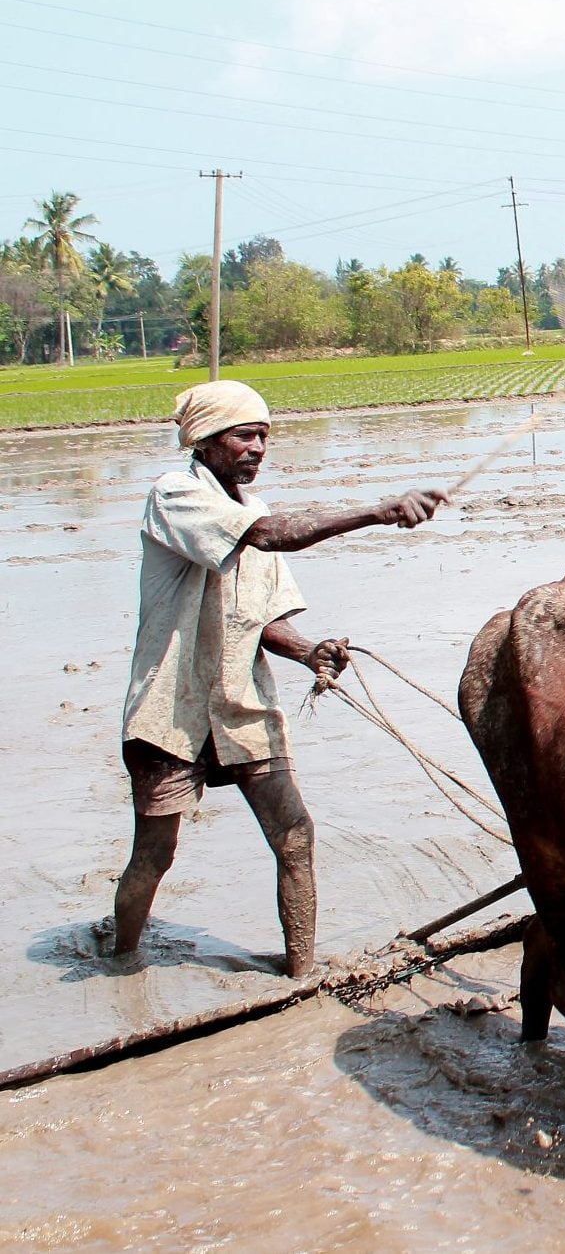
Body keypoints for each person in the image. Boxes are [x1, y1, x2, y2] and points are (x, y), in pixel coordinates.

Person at [106, 381, 449, 976]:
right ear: (205, 441)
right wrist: (379, 511)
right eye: (244, 435)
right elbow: (266, 537)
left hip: (242, 706)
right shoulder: (176, 495)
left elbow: (266, 622)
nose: (258, 448)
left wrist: (311, 650)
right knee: (155, 855)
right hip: (172, 710)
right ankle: (122, 962)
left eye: (264, 436)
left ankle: (301, 973)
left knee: (295, 835)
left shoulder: (250, 512)